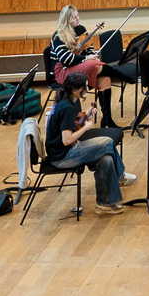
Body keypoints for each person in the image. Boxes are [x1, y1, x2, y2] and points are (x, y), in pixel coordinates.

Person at [38, 77, 127, 214]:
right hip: (63, 157)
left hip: (65, 151)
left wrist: (86, 117)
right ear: (76, 90)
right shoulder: (66, 107)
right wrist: (86, 127)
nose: (86, 89)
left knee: (106, 159)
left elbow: (71, 127)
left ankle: (105, 204)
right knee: (108, 142)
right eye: (84, 87)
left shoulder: (65, 101)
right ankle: (120, 176)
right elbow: (66, 140)